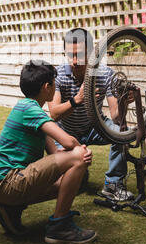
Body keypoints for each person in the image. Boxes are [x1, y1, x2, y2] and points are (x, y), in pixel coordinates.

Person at [0, 60, 97, 244]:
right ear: (47, 87)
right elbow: (66, 140)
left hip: (7, 184)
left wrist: (69, 153)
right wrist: (79, 149)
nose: (55, 89)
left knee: (76, 176)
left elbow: (55, 151)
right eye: (54, 85)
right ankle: (59, 228)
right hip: (10, 181)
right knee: (79, 157)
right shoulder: (30, 109)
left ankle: (11, 209)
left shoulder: (29, 110)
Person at [48, 28, 134, 202]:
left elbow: (117, 117)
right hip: (65, 132)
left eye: (79, 54)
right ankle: (79, 172)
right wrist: (77, 100)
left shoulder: (105, 74)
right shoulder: (58, 75)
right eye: (69, 54)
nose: (74, 61)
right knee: (71, 184)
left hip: (94, 127)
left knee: (121, 132)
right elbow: (54, 114)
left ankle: (113, 184)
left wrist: (124, 101)